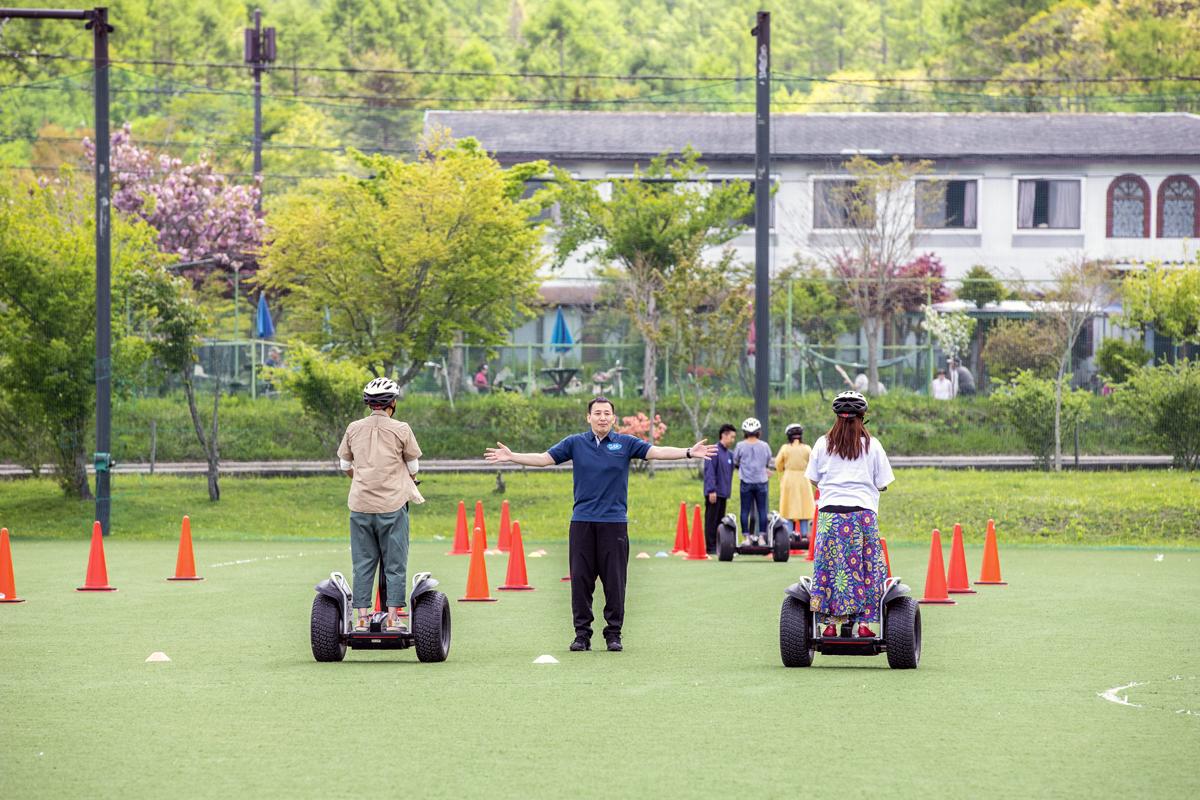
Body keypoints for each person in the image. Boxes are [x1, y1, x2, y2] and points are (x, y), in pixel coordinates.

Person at [484, 396, 715, 653]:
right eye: (597, 413)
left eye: (607, 413)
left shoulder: (625, 443)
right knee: (581, 581)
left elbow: (657, 452)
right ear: (588, 417)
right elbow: (544, 458)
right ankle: (582, 635)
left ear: (613, 418)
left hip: (614, 523)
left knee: (615, 581)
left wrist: (687, 452)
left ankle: (613, 634)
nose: (602, 417)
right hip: (582, 522)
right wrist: (512, 456)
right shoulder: (575, 443)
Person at [336, 378, 425, 634]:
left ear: (369, 404)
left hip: (360, 506)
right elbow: (413, 467)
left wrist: (362, 479)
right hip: (392, 506)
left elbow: (344, 466)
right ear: (393, 403)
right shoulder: (402, 429)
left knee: (363, 561)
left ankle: (362, 619)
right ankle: (393, 618)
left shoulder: (353, 428)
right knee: (394, 562)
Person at [805, 391, 895, 639]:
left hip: (830, 515)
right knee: (867, 567)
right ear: (862, 416)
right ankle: (864, 625)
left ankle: (831, 625)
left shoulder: (822, 444)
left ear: (836, 417)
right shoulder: (872, 445)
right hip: (861, 515)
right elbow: (883, 482)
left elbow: (813, 478)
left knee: (829, 569)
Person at [733, 417, 774, 545]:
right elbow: (768, 462)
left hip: (746, 482)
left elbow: (735, 461)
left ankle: (747, 538)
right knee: (762, 510)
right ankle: (761, 538)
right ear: (758, 432)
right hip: (761, 482)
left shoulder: (740, 445)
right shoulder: (764, 446)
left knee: (745, 510)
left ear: (744, 432)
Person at [775, 423, 815, 538]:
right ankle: (803, 534)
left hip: (789, 479)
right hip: (804, 479)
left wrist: (783, 468)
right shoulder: (807, 448)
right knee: (804, 508)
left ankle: (788, 535)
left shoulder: (785, 448)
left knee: (788, 507)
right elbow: (813, 463)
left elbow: (778, 464)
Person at [702, 423, 737, 555]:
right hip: (714, 493)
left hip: (723, 493)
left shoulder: (729, 454)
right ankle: (710, 547)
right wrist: (711, 490)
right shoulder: (714, 450)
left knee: (719, 522)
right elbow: (709, 471)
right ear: (724, 435)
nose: (733, 440)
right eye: (731, 437)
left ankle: (718, 546)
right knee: (711, 521)